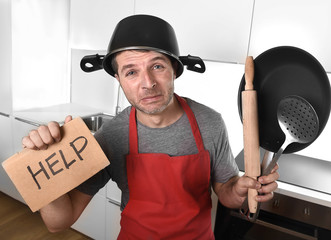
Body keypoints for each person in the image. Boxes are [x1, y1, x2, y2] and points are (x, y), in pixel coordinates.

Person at [22, 15, 279, 239]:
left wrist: (240, 189)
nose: (147, 83)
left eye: (157, 66)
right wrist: (47, 176)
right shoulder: (110, 137)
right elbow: (59, 224)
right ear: (119, 79)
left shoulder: (210, 122)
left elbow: (226, 192)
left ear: (174, 69)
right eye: (131, 72)